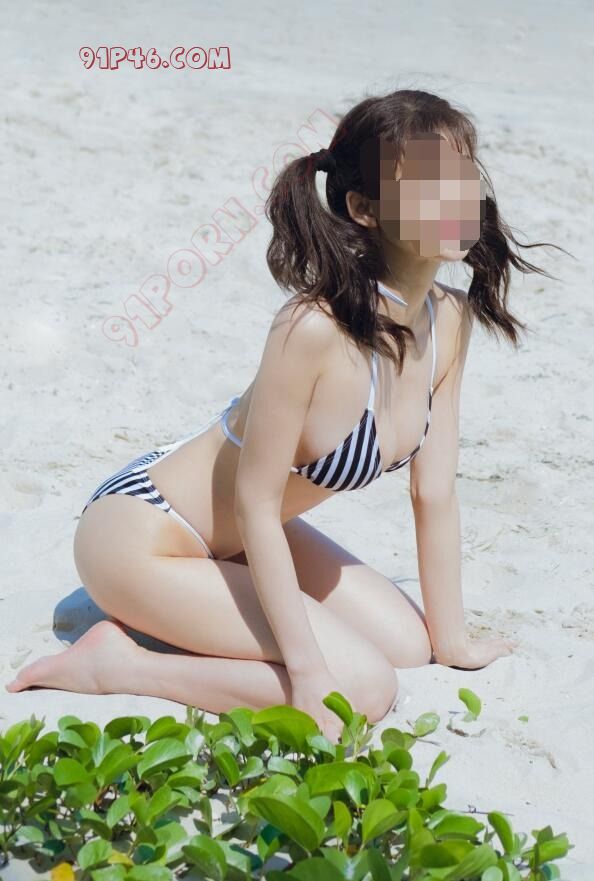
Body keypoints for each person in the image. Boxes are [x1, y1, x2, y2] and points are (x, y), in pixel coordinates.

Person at [6, 88, 563, 745]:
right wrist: (305, 670)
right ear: (364, 208)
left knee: (411, 647)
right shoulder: (312, 328)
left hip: (244, 539)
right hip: (144, 535)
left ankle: (224, 623)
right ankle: (117, 665)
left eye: (463, 175)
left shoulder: (450, 321)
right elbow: (255, 501)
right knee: (365, 689)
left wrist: (455, 640)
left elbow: (434, 494)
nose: (456, 198)